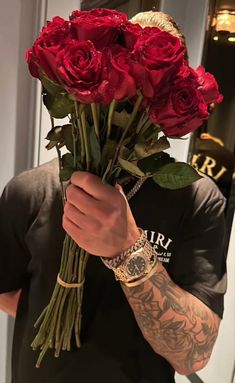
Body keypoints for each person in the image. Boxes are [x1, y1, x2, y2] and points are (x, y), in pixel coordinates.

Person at [0, 11, 227, 383]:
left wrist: (128, 248)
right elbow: (5, 288)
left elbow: (194, 356)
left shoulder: (198, 199)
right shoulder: (29, 191)